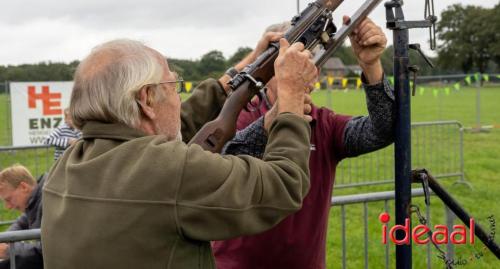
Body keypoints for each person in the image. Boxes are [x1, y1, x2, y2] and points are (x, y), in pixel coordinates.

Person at [41, 36, 318, 269]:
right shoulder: (169, 169)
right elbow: (282, 184)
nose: (178, 97)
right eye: (173, 86)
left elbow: (162, 126)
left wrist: (245, 69)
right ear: (147, 98)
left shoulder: (68, 163)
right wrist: (291, 106)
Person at [212, 16, 395, 269]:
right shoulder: (235, 118)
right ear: (266, 69)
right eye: (294, 63)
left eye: (310, 62)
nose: (307, 72)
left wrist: (371, 65)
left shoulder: (324, 122)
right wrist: (278, 116)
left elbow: (384, 130)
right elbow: (223, 163)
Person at [0, 164, 44, 269]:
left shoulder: (48, 201)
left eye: (8, 199)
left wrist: (9, 249)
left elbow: (48, 249)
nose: (8, 207)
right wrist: (4, 239)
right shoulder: (34, 201)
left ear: (24, 187)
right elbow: (21, 222)